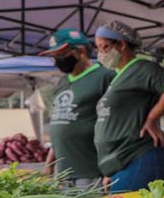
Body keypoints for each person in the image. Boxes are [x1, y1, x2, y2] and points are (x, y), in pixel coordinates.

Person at [92, 21, 164, 192]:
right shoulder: (119, 76)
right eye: (98, 48)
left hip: (140, 156)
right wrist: (110, 169)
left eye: (104, 47)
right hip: (124, 163)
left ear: (121, 45)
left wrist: (152, 119)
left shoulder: (142, 68)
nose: (100, 54)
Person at [40, 29, 114, 188]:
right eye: (54, 57)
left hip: (91, 171)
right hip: (64, 173)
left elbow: (116, 123)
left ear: (80, 51)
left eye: (61, 55)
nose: (57, 61)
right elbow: (59, 123)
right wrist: (49, 163)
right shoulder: (63, 82)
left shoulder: (105, 77)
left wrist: (110, 170)